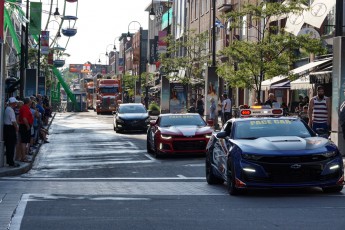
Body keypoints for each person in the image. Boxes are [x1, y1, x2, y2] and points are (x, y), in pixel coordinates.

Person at [3, 97, 19, 167]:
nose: (16, 104)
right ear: (13, 103)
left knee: (8, 146)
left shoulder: (7, 109)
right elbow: (13, 121)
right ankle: (11, 162)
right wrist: (17, 128)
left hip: (7, 128)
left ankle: (9, 161)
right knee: (11, 146)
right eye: (15, 103)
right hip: (10, 129)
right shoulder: (11, 110)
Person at [17, 97, 33, 162]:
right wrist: (27, 126)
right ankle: (23, 157)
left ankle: (23, 157)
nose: (31, 101)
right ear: (28, 102)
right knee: (24, 142)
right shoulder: (25, 108)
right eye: (30, 100)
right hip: (25, 126)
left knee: (24, 142)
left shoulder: (25, 107)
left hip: (24, 126)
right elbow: (24, 118)